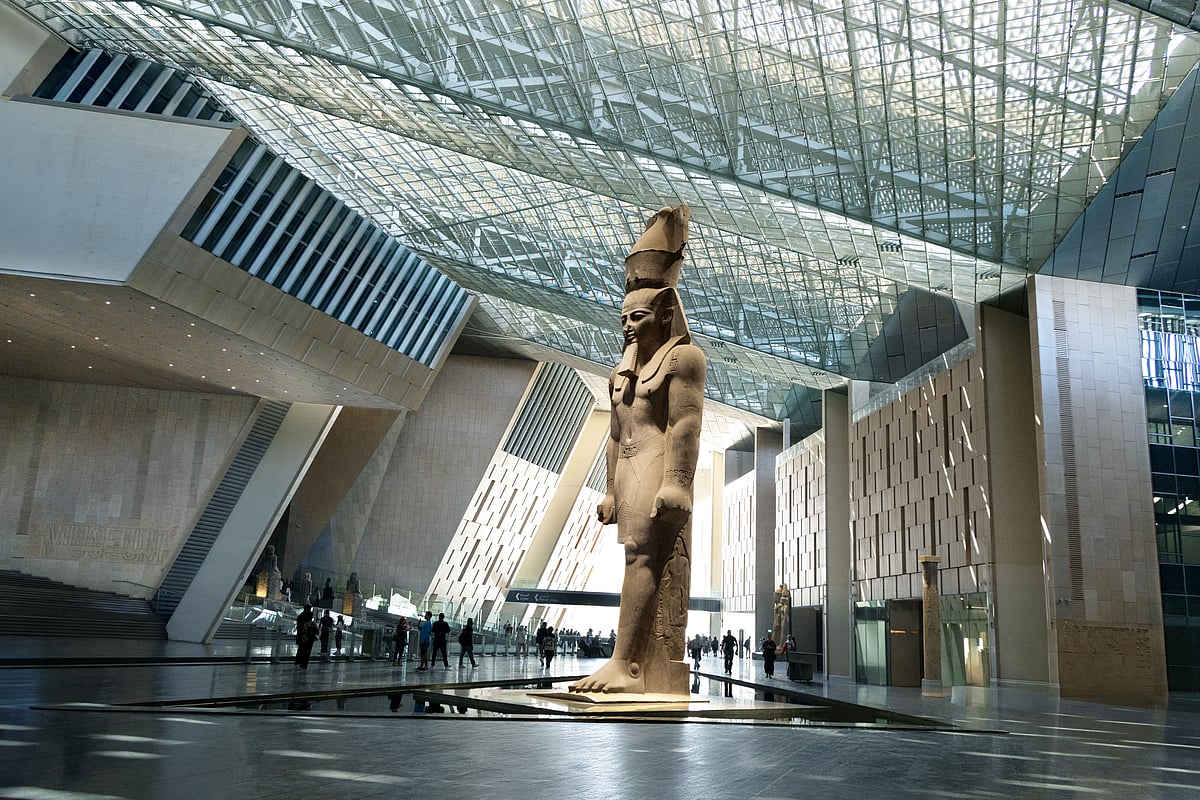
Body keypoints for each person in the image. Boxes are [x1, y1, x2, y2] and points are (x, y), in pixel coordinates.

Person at [569, 207, 705, 697]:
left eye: (638, 316)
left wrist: (678, 481)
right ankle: (624, 660)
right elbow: (613, 433)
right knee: (632, 557)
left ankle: (626, 664)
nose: (628, 326)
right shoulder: (619, 372)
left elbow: (686, 422)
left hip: (655, 464)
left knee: (643, 559)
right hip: (626, 468)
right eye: (624, 317)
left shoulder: (683, 358)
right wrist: (606, 489)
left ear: (666, 313)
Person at [294, 604, 316, 670]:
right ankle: (303, 665)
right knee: (306, 652)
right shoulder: (309, 619)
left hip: (302, 637)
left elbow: (299, 628)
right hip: (308, 637)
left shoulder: (300, 617)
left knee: (301, 650)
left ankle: (298, 663)